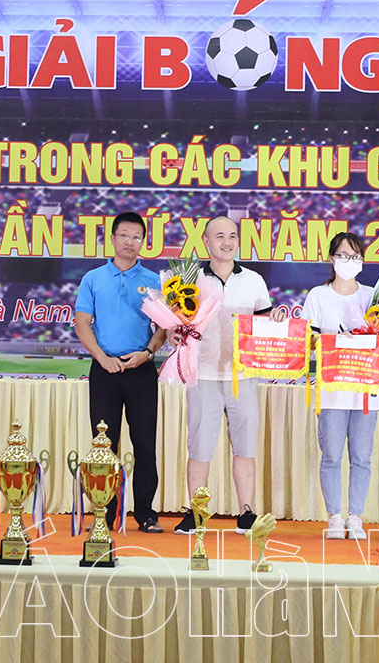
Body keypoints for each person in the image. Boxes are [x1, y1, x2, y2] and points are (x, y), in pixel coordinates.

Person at [173, 216, 272, 536]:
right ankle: (196, 512)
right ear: (206, 242)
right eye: (219, 236)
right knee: (199, 447)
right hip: (202, 374)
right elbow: (174, 323)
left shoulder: (254, 280)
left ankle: (247, 513)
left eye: (232, 236)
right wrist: (173, 332)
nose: (226, 242)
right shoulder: (189, 280)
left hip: (243, 376)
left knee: (245, 447)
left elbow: (265, 326)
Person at [73, 211, 167, 533]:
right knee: (104, 445)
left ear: (144, 242)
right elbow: (82, 324)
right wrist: (102, 358)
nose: (130, 241)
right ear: (112, 238)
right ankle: (104, 512)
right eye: (124, 235)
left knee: (145, 445)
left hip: (141, 370)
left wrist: (148, 353)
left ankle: (146, 513)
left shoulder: (154, 281)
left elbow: (163, 328)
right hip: (105, 371)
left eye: (137, 237)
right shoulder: (93, 278)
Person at [303, 231, 378, 541]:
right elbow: (306, 339)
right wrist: (330, 341)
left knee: (361, 457)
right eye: (344, 255)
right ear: (331, 259)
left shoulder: (373, 296)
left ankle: (355, 516)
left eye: (355, 256)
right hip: (332, 389)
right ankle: (334, 515)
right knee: (332, 456)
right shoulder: (318, 296)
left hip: (366, 390)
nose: (349, 261)